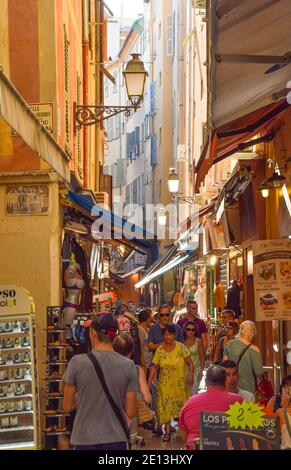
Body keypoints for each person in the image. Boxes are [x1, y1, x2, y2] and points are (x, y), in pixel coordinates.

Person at [63, 313, 139, 450]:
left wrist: (85, 396)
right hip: (116, 438)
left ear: (92, 332)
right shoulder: (128, 365)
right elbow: (131, 411)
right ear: (114, 334)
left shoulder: (76, 363)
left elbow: (67, 406)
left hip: (84, 439)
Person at [148, 324, 193, 442]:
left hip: (180, 385)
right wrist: (148, 382)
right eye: (166, 334)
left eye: (170, 334)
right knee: (166, 407)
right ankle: (167, 431)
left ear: (174, 335)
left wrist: (191, 376)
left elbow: (190, 363)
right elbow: (154, 367)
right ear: (163, 335)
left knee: (182, 408)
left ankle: (182, 430)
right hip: (165, 384)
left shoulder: (181, 347)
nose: (168, 337)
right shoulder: (160, 350)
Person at [179, 365, 243, 448]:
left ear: (205, 382)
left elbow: (183, 436)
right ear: (224, 381)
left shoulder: (190, 402)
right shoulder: (238, 401)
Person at [113, 334, 155, 436]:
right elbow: (147, 398)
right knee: (130, 439)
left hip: (111, 414)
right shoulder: (136, 369)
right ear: (132, 350)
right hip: (130, 414)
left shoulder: (106, 366)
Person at [223, 320, 263, 394]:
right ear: (253, 333)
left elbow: (224, 363)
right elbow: (259, 372)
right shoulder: (255, 349)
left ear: (240, 331)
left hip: (230, 386)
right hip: (248, 388)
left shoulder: (229, 344)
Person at [183, 321, 204, 395]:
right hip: (184, 370)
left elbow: (202, 357)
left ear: (195, 331)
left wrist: (201, 371)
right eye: (188, 329)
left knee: (194, 393)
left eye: (193, 330)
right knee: (185, 394)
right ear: (185, 330)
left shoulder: (198, 341)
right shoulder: (182, 342)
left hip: (196, 370)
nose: (190, 332)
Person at [137, 308, 152, 374]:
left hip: (148, 362)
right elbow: (140, 347)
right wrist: (143, 364)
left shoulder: (145, 329)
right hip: (145, 363)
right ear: (148, 319)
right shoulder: (141, 330)